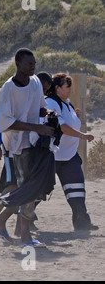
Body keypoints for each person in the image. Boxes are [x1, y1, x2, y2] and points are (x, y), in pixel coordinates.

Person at [0, 48, 55, 247]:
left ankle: (10, 227)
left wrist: (51, 117)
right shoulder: (8, 89)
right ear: (18, 64)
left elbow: (40, 107)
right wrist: (36, 128)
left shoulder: (35, 83)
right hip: (17, 146)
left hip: (34, 142)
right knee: (27, 189)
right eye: (29, 63)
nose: (33, 66)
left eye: (34, 63)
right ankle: (3, 224)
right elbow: (4, 121)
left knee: (32, 188)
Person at [45, 73, 98, 231]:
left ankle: (82, 223)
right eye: (67, 87)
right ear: (57, 88)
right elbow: (61, 127)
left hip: (69, 157)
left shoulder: (67, 103)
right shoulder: (50, 103)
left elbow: (70, 121)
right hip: (51, 155)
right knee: (40, 190)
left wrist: (75, 114)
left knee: (77, 190)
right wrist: (83, 135)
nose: (70, 90)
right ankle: (26, 220)